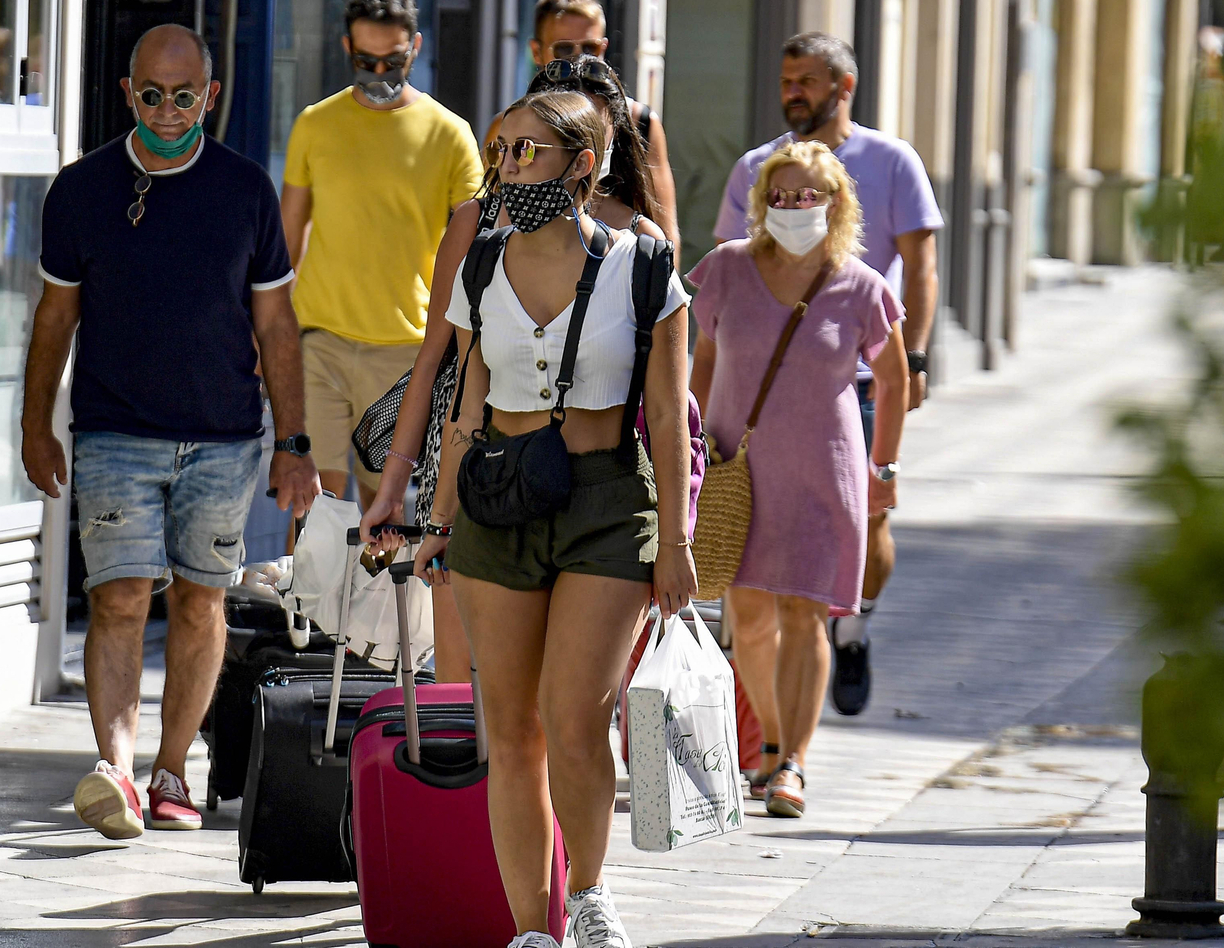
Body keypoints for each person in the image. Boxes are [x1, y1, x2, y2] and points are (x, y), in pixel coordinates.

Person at [21, 24, 321, 840]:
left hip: (224, 439)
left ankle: (171, 769)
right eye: (150, 94)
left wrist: (293, 445)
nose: (166, 109)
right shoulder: (80, 190)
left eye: (183, 95)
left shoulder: (245, 189)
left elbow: (277, 324)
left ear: (209, 97)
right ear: (127, 94)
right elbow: (55, 316)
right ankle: (113, 770)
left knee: (200, 602)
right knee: (117, 597)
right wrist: (34, 422)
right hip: (115, 431)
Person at [412, 90, 696, 948]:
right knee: (511, 728)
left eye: (528, 153)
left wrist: (677, 543)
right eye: (501, 152)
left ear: (584, 165)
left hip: (606, 503)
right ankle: (533, 929)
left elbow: (672, 415)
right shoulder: (479, 264)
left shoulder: (644, 270)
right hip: (499, 499)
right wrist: (438, 517)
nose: (508, 169)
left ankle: (591, 897)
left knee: (576, 717)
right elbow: (464, 401)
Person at [359, 55, 667, 682]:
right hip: (484, 467)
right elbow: (435, 361)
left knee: (568, 707)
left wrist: (674, 529)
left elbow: (661, 392)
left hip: (597, 479)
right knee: (469, 693)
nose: (516, 161)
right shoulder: (477, 224)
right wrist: (401, 485)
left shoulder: (637, 243)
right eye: (510, 146)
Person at [710, 31, 942, 721]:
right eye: (786, 80)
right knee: (764, 559)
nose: (792, 93)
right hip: (767, 398)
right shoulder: (759, 166)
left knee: (872, 524)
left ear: (843, 87)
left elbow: (921, 265)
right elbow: (731, 260)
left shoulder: (893, 160)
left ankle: (856, 626)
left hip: (861, 377)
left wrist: (917, 355)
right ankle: (790, 704)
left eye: (806, 81)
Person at [690, 139, 906, 816]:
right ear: (760, 203)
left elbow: (895, 380)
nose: (791, 206)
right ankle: (773, 745)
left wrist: (885, 468)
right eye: (778, 195)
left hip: (824, 470)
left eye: (806, 194)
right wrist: (684, 446)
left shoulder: (861, 285)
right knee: (749, 616)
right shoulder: (725, 270)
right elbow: (696, 365)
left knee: (807, 611)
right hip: (737, 469)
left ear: (835, 202)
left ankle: (793, 765)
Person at [280, 0, 484, 504]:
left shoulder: (450, 134)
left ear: (415, 47)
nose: (377, 76)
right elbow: (287, 235)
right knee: (311, 505)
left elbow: (478, 246)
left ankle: (373, 591)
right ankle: (308, 591)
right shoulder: (315, 124)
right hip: (318, 342)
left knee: (383, 509)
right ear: (347, 48)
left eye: (391, 62)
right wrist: (270, 337)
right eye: (365, 61)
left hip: (406, 349)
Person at [481, 0, 678, 240]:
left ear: (604, 48)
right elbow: (494, 212)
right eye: (563, 49)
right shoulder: (507, 126)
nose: (578, 59)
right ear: (536, 52)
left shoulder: (640, 121)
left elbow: (664, 222)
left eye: (590, 48)